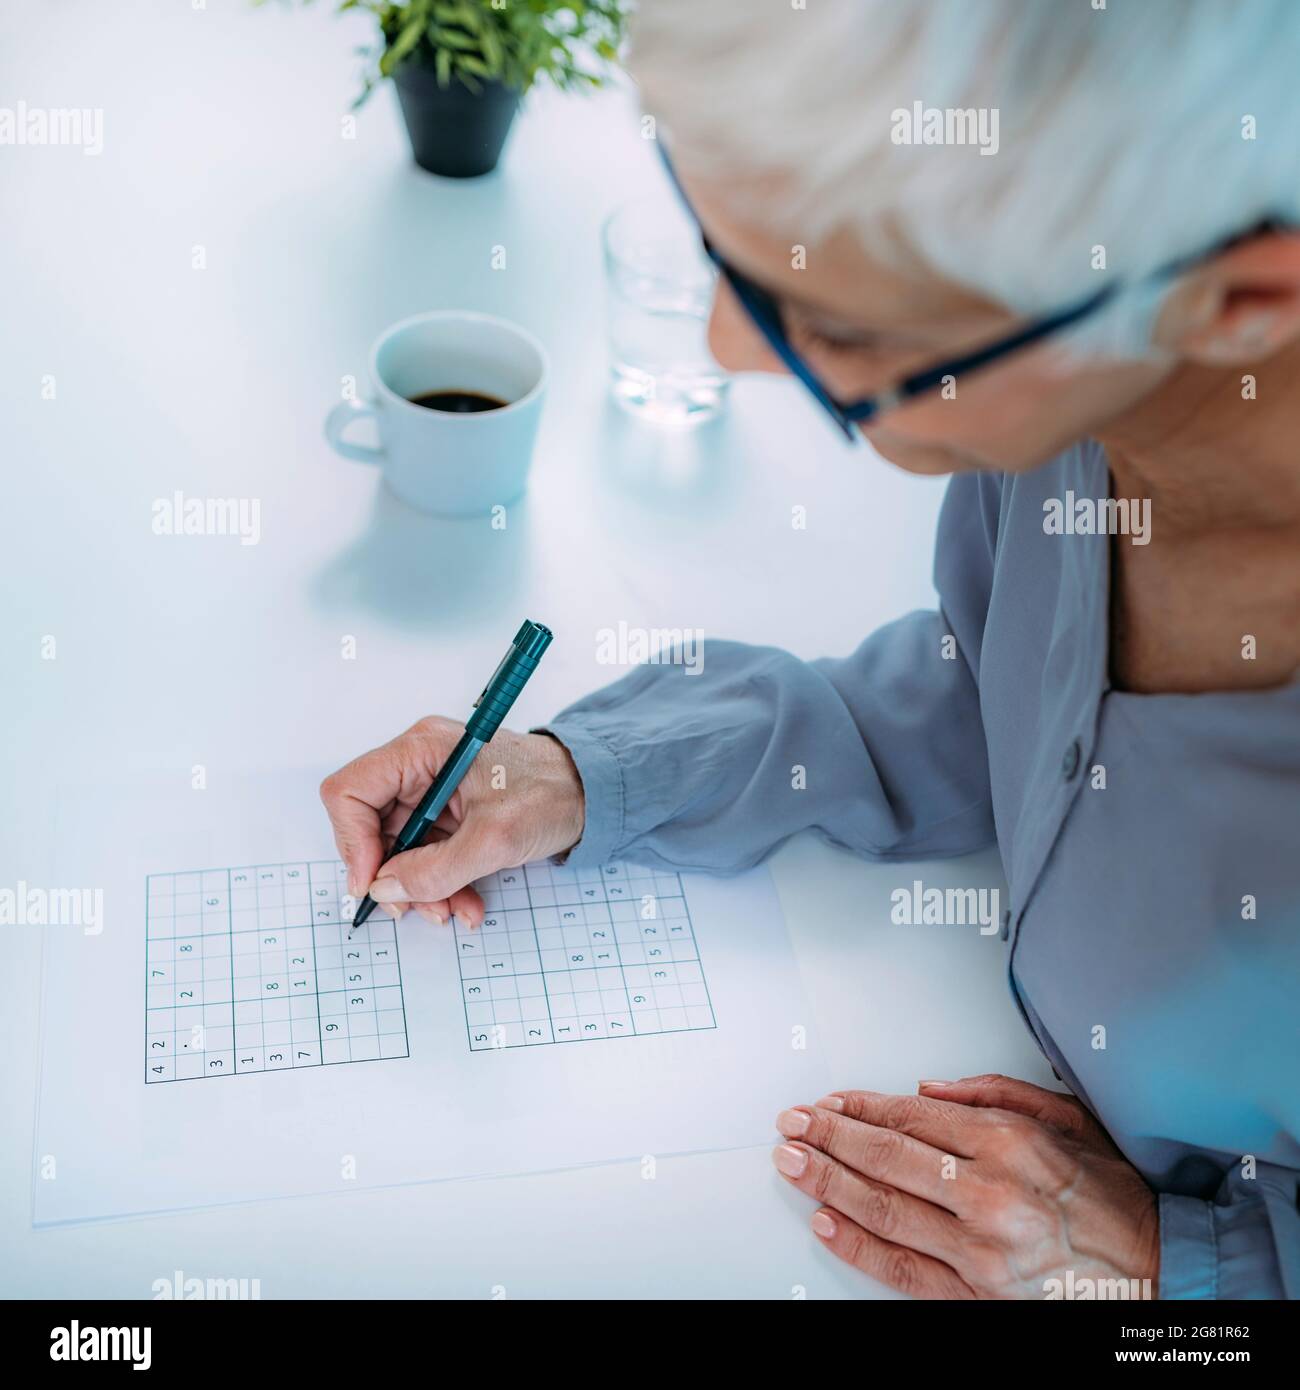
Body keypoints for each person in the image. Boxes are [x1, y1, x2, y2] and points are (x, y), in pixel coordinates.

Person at [322, 0, 1300, 1299]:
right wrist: (584, 774)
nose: (730, 348)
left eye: (844, 327)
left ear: (1237, 301)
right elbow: (986, 704)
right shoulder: (1080, 415)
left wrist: (1185, 1268)